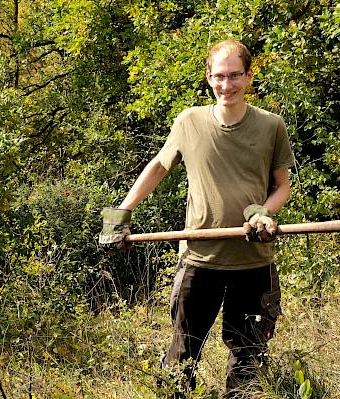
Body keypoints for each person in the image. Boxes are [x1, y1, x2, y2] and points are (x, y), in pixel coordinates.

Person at [100, 39, 294, 397]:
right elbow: (159, 166)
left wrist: (265, 211)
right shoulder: (190, 121)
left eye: (235, 75)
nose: (227, 85)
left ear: (249, 77)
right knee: (182, 357)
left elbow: (283, 185)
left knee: (248, 359)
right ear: (208, 77)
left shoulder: (271, 126)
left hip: (252, 261)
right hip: (199, 260)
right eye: (219, 76)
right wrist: (122, 212)